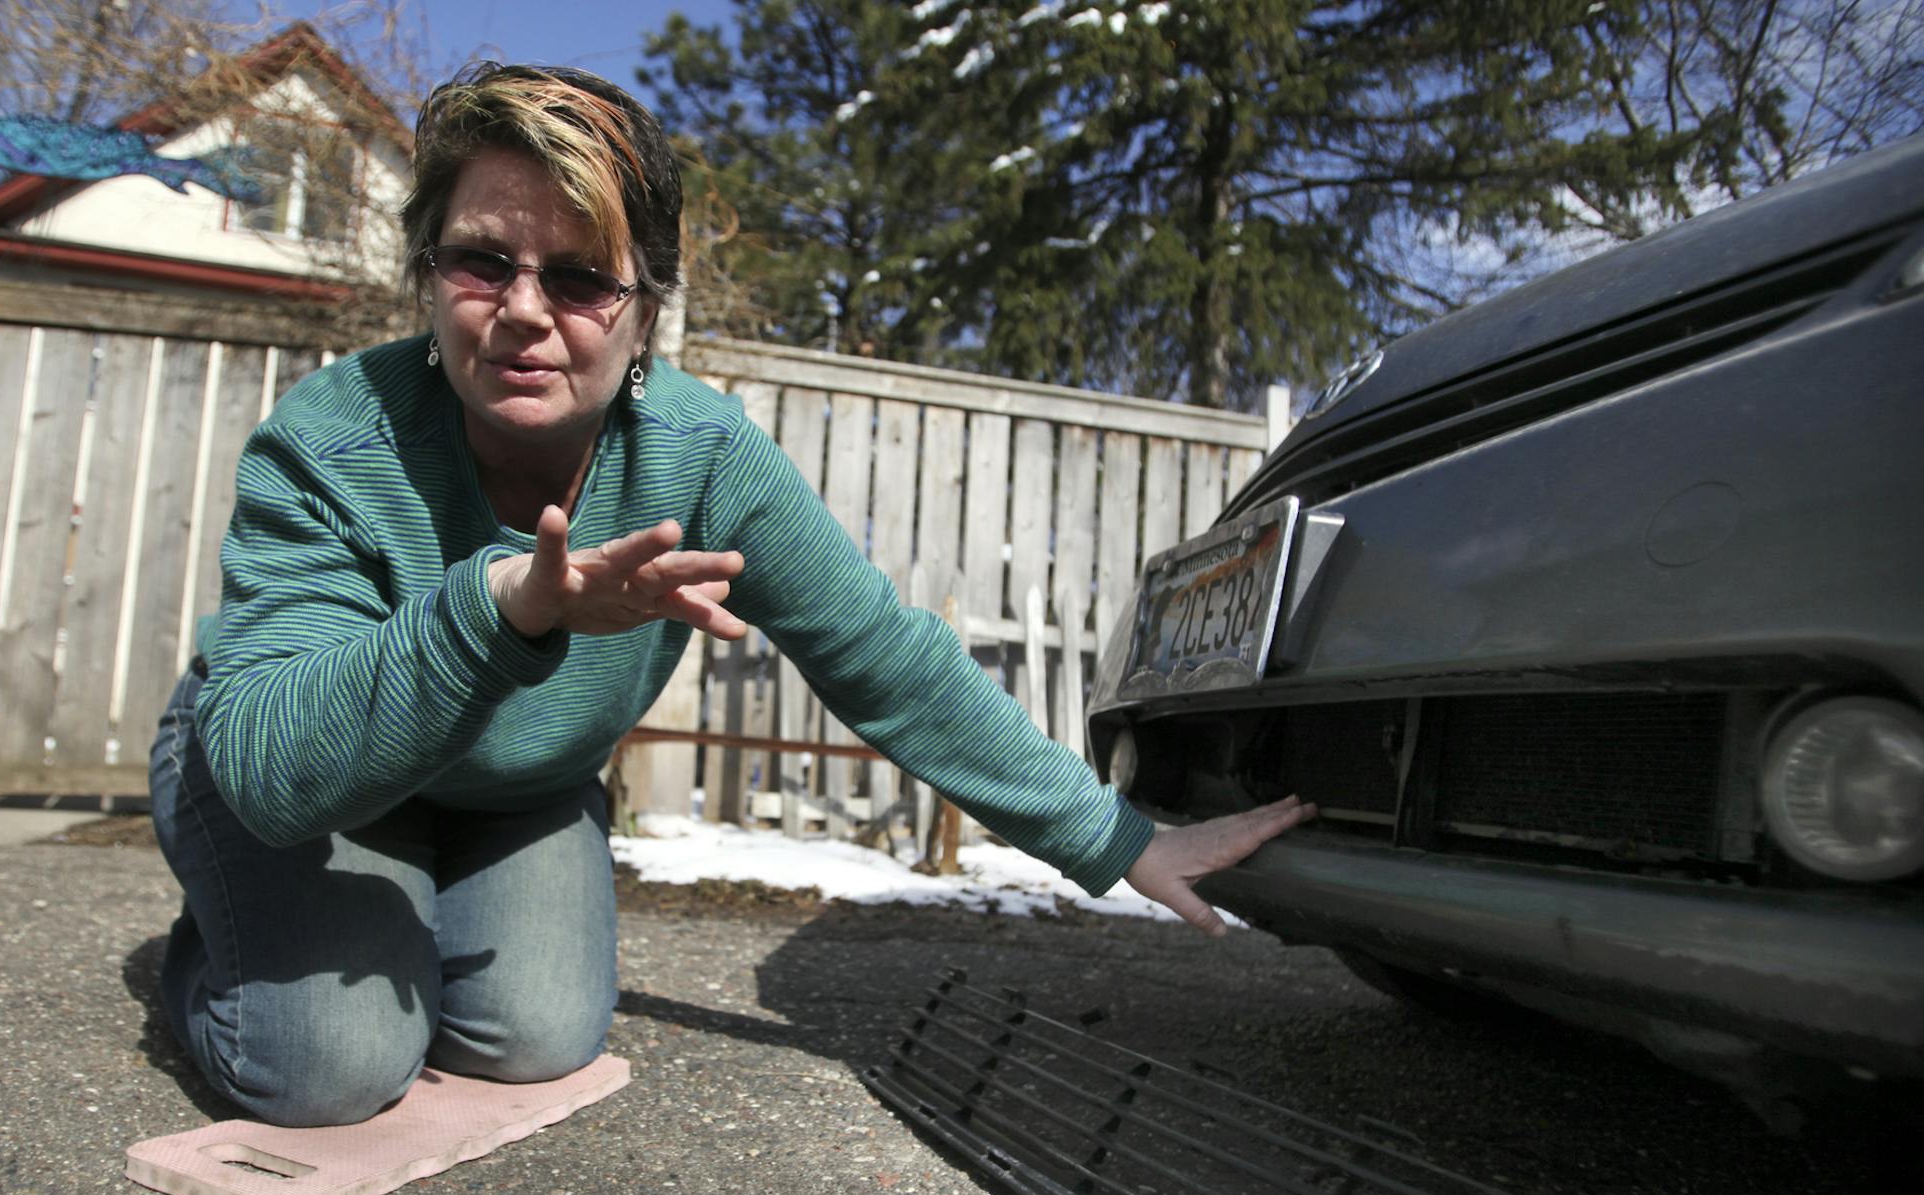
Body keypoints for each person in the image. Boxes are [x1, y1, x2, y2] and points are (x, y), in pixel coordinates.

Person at [148, 62, 1314, 1129]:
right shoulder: (329, 444)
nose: (522, 308)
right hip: (298, 776)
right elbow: (265, 761)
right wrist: (501, 607)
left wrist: (1113, 838)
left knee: (534, 1038)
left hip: (514, 793)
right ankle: (220, 955)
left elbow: (881, 656)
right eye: (483, 259)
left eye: (581, 278)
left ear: (648, 307)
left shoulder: (699, 456)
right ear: (429, 270)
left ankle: (412, 903)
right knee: (329, 1065)